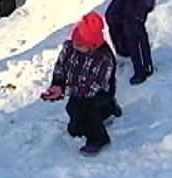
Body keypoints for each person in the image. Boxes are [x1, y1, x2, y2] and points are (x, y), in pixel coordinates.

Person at [41, 12, 120, 155]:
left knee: (81, 109)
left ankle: (99, 139)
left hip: (99, 90)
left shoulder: (104, 60)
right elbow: (60, 66)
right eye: (75, 41)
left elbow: (91, 88)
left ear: (92, 46)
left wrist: (64, 91)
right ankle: (108, 109)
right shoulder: (70, 48)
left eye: (81, 44)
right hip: (76, 87)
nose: (76, 46)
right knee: (75, 127)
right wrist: (57, 84)